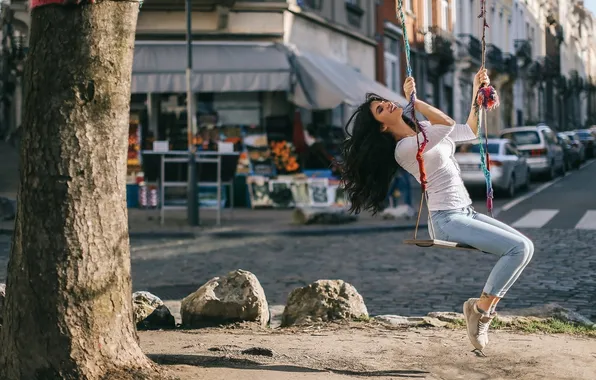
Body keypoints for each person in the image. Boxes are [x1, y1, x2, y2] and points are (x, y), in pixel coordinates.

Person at [340, 69, 534, 354]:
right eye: (381, 109)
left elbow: (469, 130)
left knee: (525, 247)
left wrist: (475, 90)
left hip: (464, 212)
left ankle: (478, 309)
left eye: (383, 101)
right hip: (446, 220)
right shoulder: (404, 148)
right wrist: (414, 101)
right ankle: (481, 314)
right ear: (381, 126)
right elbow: (446, 122)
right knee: (516, 249)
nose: (387, 104)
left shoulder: (423, 132)